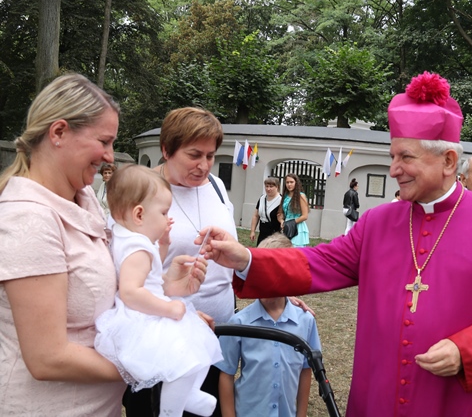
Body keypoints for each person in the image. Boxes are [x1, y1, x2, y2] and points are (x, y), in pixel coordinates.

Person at [198, 72, 472, 416]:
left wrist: (468, 351)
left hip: (461, 401)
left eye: (406, 157)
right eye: (392, 157)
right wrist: (246, 258)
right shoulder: (378, 222)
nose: (394, 169)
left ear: (448, 161)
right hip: (380, 395)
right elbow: (320, 262)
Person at [122, 107, 312, 417]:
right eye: (194, 155)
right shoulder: (140, 191)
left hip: (216, 338)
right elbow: (125, 278)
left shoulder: (215, 186)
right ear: (166, 150)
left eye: (210, 156)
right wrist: (180, 314)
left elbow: (231, 258)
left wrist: (275, 290)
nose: (204, 165)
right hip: (163, 344)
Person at [0, 73, 127, 416]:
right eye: (104, 141)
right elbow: (47, 357)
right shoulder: (28, 219)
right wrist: (146, 364)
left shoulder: (84, 200)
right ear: (58, 133)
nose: (110, 156)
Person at [95, 164, 222, 417]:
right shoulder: (138, 249)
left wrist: (162, 244)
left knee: (193, 351)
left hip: (147, 310)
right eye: (164, 212)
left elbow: (151, 272)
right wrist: (169, 308)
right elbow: (131, 292)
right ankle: (170, 410)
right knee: (183, 358)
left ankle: (189, 395)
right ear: (139, 214)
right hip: (146, 316)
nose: (167, 218)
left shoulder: (127, 238)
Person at [217, 233, 321, 417]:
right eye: (260, 275)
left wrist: (301, 414)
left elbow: (306, 370)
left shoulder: (306, 322)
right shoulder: (239, 323)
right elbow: (226, 373)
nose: (265, 283)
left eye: (273, 276)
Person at [277, 173, 309, 247]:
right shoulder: (285, 196)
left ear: (296, 183)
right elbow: (280, 213)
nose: (289, 184)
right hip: (286, 226)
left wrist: (291, 223)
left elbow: (305, 216)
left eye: (291, 182)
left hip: (298, 227)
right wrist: (282, 221)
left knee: (295, 249)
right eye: (287, 182)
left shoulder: (301, 196)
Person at [249, 177, 282, 245]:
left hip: (275, 235)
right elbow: (256, 215)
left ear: (277, 187)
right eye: (267, 186)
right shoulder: (262, 198)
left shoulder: (281, 200)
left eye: (271, 186)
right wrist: (252, 231)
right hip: (262, 232)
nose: (268, 189)